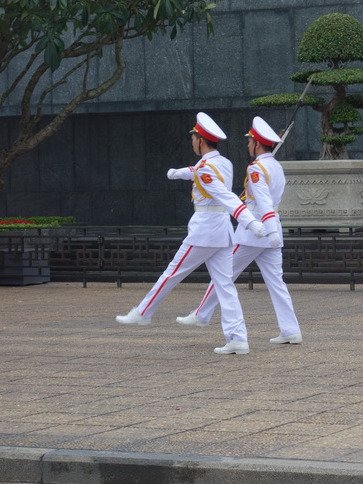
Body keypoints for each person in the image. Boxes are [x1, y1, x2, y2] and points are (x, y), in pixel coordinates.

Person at [114, 112, 266, 356]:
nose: (192, 142)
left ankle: (143, 313)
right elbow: (195, 170)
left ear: (201, 141)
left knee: (172, 273)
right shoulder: (222, 162)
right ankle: (237, 338)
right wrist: (177, 172)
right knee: (225, 286)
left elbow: (226, 197)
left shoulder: (206, 169)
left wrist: (250, 223)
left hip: (205, 232)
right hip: (222, 233)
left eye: (193, 138)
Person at [176, 117, 302, 347]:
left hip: (255, 231)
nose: (247, 145)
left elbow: (263, 202)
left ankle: (201, 313)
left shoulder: (256, 169)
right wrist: (274, 231)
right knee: (277, 283)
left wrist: (268, 229)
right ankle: (291, 330)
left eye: (250, 141)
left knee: (224, 275)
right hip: (272, 231)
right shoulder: (275, 166)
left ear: (257, 144)